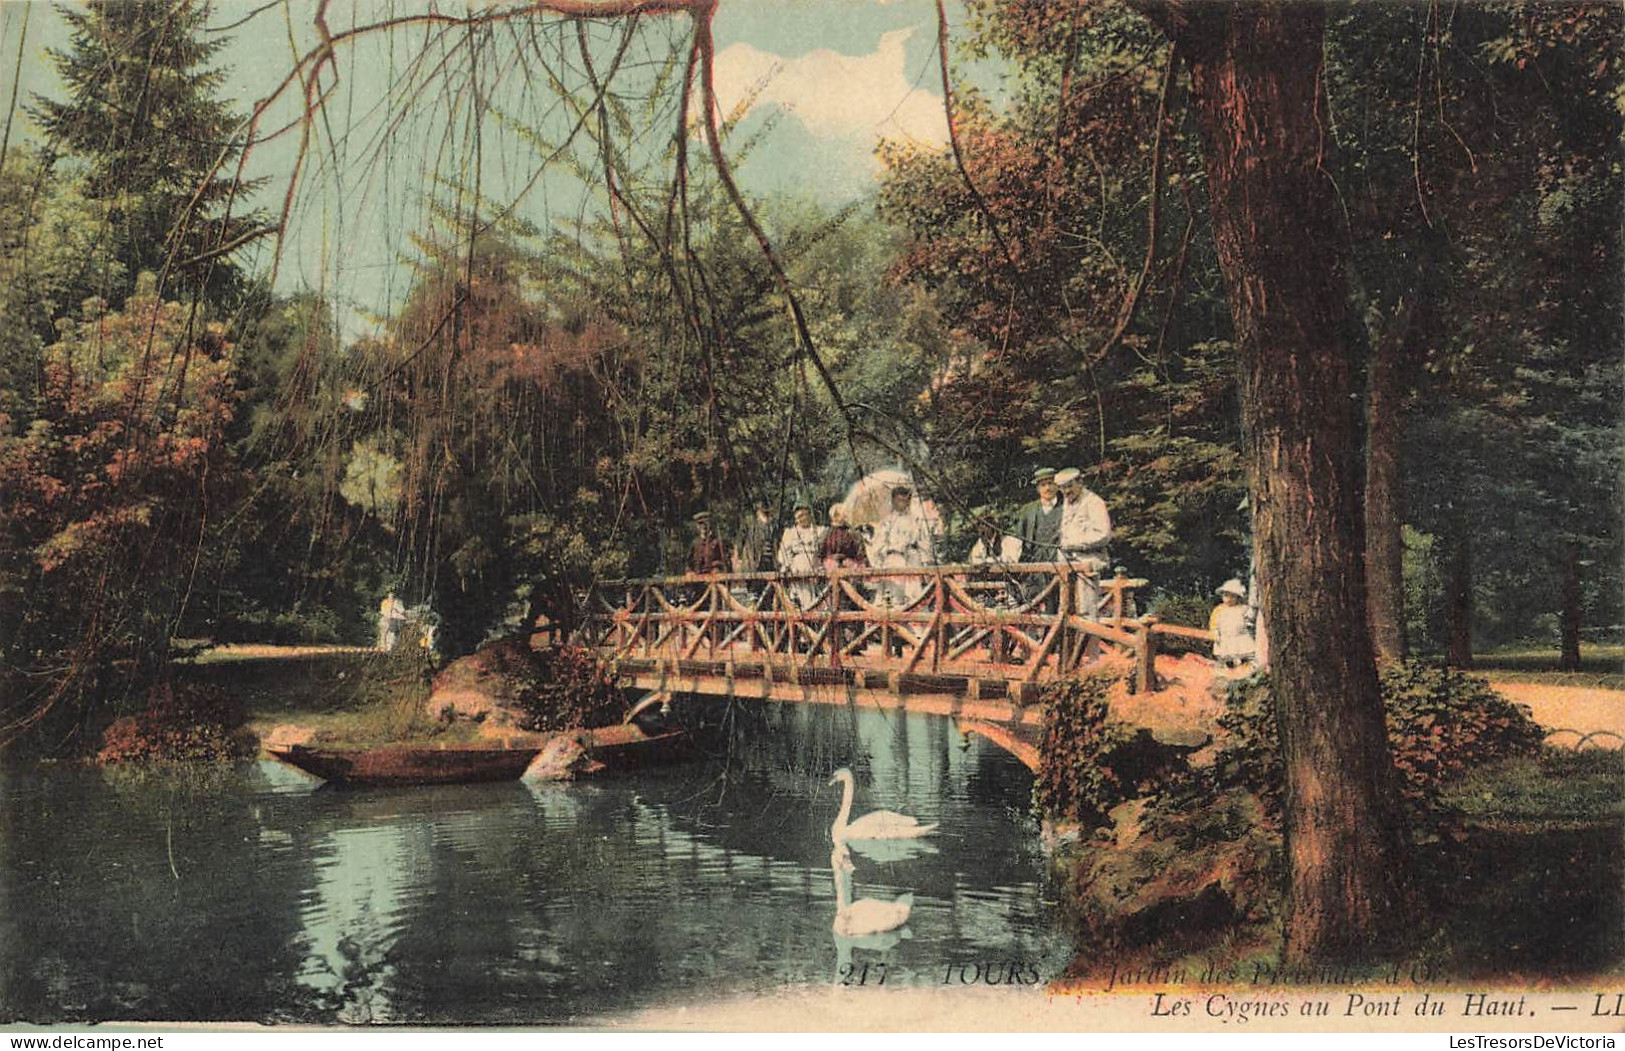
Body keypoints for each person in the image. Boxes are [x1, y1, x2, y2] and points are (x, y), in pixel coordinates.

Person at [1056, 467, 1111, 619]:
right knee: (1066, 612)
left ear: (1080, 482)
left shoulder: (1094, 502)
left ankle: (1090, 643)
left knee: (1086, 612)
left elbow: (1103, 534)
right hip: (1067, 567)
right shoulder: (1067, 504)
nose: (1066, 492)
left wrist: (1073, 544)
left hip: (1087, 565)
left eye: (1069, 486)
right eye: (1061, 488)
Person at [870, 484, 936, 610]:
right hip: (894, 559)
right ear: (893, 501)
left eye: (906, 501)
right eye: (899, 500)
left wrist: (925, 560)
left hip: (912, 559)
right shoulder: (887, 521)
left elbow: (922, 541)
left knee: (913, 594)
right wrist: (886, 552)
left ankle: (915, 625)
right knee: (894, 594)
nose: (903, 504)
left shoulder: (915, 520)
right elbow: (878, 544)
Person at [776, 503, 826, 611]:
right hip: (798, 572)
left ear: (809, 515)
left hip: (816, 570)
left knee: (818, 601)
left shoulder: (820, 531)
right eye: (798, 517)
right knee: (801, 601)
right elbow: (783, 554)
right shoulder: (790, 533)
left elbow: (824, 551)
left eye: (804, 515)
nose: (801, 519)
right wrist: (786, 566)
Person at [1015, 467, 1064, 565]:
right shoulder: (1028, 510)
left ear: (1057, 486)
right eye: (1043, 485)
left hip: (1060, 562)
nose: (1047, 488)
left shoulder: (1066, 508)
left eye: (1050, 483)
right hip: (1034, 563)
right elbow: (1019, 539)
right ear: (1038, 489)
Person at [1210, 578, 1257, 669]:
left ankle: (1246, 668)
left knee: (1245, 653)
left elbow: (1250, 620)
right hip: (1226, 638)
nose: (1229, 599)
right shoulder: (1220, 610)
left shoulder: (1243, 609)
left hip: (1241, 636)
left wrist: (1250, 629)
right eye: (1226, 596)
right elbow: (1215, 624)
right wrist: (1216, 634)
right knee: (1227, 656)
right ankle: (1230, 669)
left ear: (1238, 597)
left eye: (1232, 596)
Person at [819, 504, 868, 570]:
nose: (845, 516)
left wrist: (861, 565)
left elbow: (861, 553)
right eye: (843, 514)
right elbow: (819, 553)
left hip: (850, 566)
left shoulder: (852, 533)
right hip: (829, 567)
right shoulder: (826, 533)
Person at [734, 500, 776, 575]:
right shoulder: (749, 522)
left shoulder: (773, 524)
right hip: (753, 562)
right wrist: (738, 558)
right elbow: (740, 541)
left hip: (769, 563)